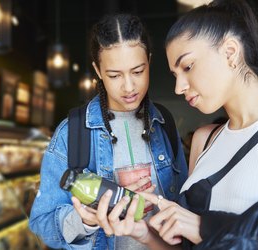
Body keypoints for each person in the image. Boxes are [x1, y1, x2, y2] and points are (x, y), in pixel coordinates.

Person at [92, 0, 258, 249]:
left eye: (187, 66)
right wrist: (144, 233)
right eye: (176, 75)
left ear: (230, 52)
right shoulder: (204, 139)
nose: (179, 87)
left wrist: (204, 226)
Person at [28, 13, 188, 250]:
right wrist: (85, 220)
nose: (129, 86)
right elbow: (41, 223)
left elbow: (185, 205)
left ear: (149, 62)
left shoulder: (163, 123)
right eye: (114, 75)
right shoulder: (71, 133)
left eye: (138, 71)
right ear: (98, 70)